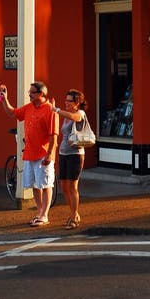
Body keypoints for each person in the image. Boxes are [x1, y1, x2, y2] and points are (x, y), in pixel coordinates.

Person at [0, 80, 58, 226]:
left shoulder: (50, 110)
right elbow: (12, 113)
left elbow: (53, 135)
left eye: (32, 92)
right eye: (29, 92)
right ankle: (40, 212)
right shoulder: (29, 107)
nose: (29, 95)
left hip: (43, 154)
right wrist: (4, 99)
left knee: (45, 184)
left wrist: (50, 154)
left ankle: (45, 215)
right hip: (30, 153)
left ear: (41, 93)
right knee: (35, 185)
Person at [53, 89, 88, 229]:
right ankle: (74, 213)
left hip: (76, 154)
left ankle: (74, 217)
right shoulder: (66, 115)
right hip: (63, 153)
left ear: (77, 102)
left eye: (69, 101)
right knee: (64, 186)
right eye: (66, 100)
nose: (66, 103)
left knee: (73, 186)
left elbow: (75, 118)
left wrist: (56, 109)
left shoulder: (80, 113)